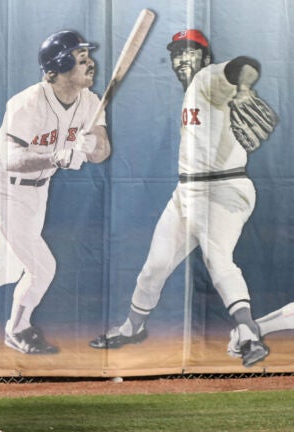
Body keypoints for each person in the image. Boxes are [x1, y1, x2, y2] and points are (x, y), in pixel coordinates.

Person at [89, 30, 275, 368]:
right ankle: (133, 327)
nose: (180, 59)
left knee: (218, 259)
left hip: (223, 187)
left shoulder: (209, 77)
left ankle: (248, 332)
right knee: (155, 265)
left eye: (188, 51)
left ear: (205, 56)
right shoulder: (192, 90)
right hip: (187, 191)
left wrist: (244, 86)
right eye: (175, 53)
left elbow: (244, 66)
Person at [0, 30, 110, 354]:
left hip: (37, 191)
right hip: (2, 189)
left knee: (7, 268)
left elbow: (103, 148)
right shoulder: (27, 102)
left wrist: (91, 147)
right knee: (42, 267)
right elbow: (9, 158)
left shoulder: (90, 102)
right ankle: (18, 330)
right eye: (81, 59)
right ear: (54, 71)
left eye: (89, 57)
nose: (91, 64)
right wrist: (56, 155)